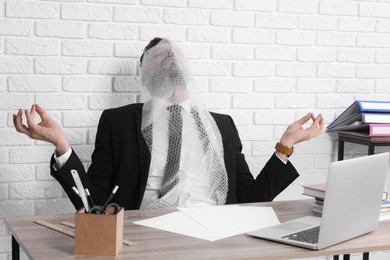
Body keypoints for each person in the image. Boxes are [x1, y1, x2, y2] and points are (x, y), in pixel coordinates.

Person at [13, 37, 324, 210]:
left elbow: (248, 201)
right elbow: (95, 201)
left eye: (176, 55)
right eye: (161, 57)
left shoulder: (223, 126)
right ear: (147, 77)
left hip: (215, 234)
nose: (172, 57)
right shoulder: (118, 122)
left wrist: (287, 145)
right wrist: (62, 147)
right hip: (147, 234)